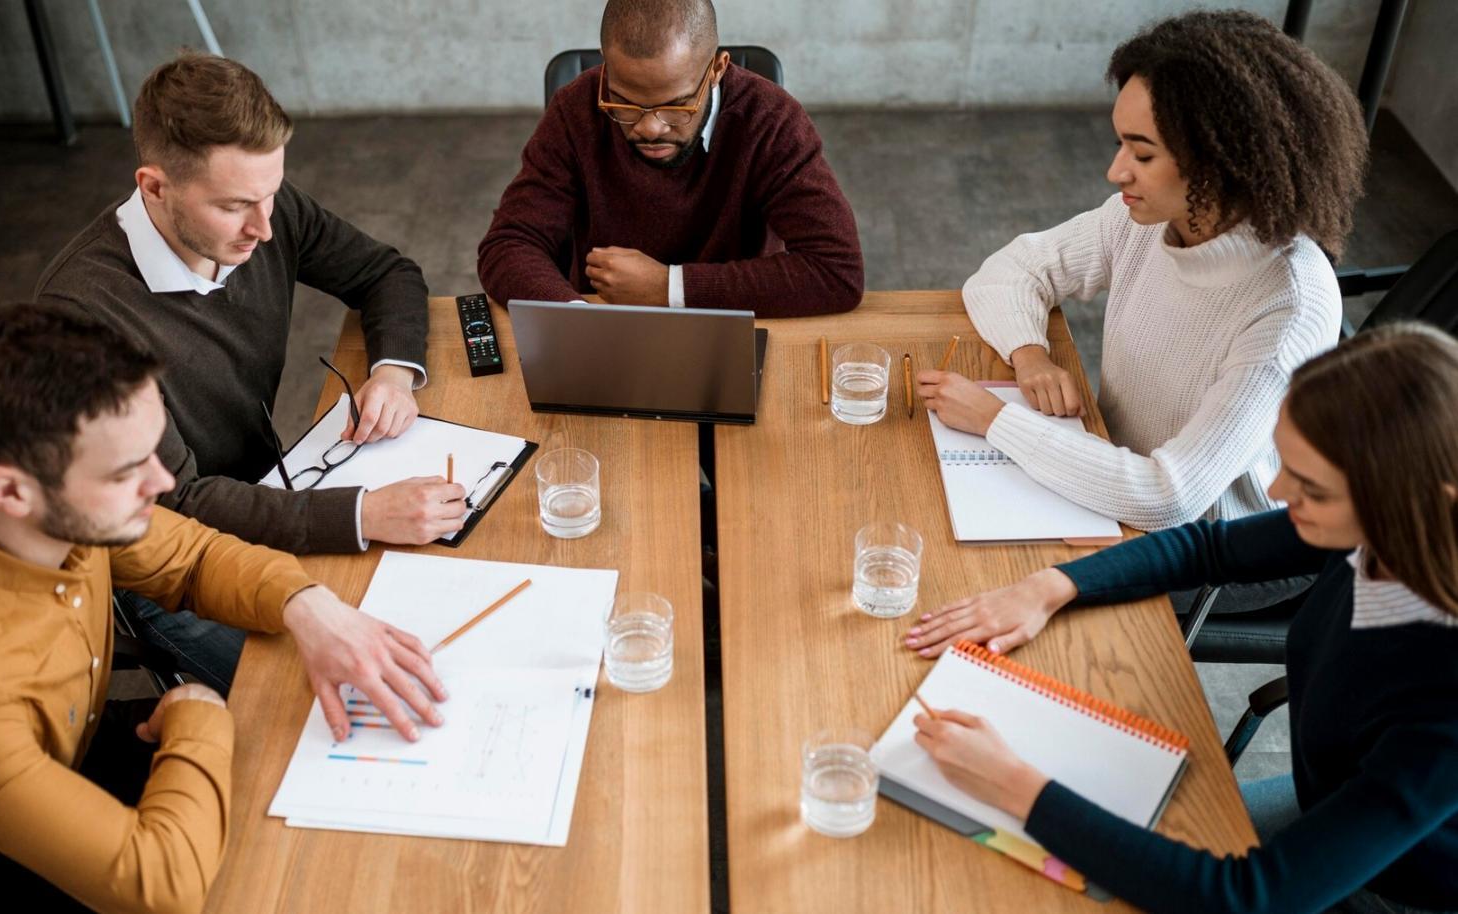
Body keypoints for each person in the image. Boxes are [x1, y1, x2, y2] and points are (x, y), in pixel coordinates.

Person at [905, 324, 1458, 914]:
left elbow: (1249, 898)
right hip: (1333, 803)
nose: (1275, 489)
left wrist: (1015, 786)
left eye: (1311, 488)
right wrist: (1052, 585)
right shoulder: (1389, 531)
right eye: (1285, 462)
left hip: (1397, 890)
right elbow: (1209, 548)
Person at [0, 304, 447, 912]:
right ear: (9, 491)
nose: (163, 483)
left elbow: (193, 556)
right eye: (127, 471)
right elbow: (162, 885)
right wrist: (198, 707)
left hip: (74, 734)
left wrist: (310, 604)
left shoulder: (49, 515)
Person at [35, 52, 468, 692]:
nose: (265, 228)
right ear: (154, 186)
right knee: (340, 696)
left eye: (271, 194)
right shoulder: (81, 318)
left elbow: (386, 273)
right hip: (167, 565)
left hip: (272, 495)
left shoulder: (263, 207)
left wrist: (394, 373)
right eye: (237, 205)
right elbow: (175, 504)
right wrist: (361, 514)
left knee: (428, 639)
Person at [917, 11, 1368, 617]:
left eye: (1143, 153)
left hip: (1215, 549)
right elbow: (1011, 270)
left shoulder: (1286, 303)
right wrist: (1029, 355)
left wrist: (998, 420)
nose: (1116, 171)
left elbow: (1171, 496)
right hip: (1110, 467)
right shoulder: (1148, 222)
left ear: (1222, 160)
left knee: (974, 582)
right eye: (1120, 142)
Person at [477, 0, 864, 316]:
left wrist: (669, 288)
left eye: (676, 106)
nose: (650, 128)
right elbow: (509, 243)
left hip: (735, 328)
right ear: (607, 67)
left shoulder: (771, 119)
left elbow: (836, 270)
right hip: (605, 326)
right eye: (624, 103)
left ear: (717, 69)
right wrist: (579, 321)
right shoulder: (575, 109)